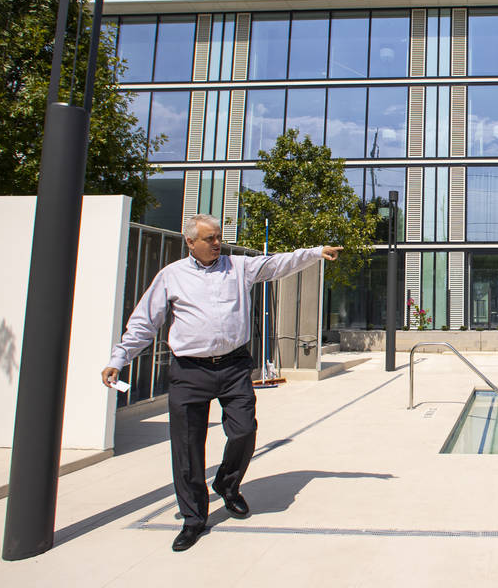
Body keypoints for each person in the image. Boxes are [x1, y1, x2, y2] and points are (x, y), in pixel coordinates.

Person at [102, 214, 340, 552]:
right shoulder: (172, 276)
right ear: (190, 242)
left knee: (243, 430)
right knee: (187, 446)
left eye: (218, 237)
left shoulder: (238, 267)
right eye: (209, 238)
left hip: (233, 368)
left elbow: (277, 264)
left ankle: (227, 485)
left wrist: (315, 252)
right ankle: (194, 518)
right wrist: (118, 359)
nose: (216, 243)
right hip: (189, 372)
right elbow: (145, 321)